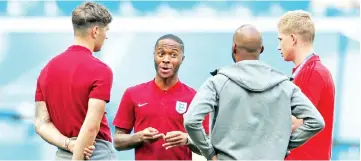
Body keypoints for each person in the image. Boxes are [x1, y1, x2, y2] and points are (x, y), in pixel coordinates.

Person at [183, 24, 325, 160]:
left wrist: (209, 153)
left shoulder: (217, 83)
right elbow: (316, 122)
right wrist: (281, 147)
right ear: (261, 49)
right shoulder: (284, 85)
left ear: (234, 47)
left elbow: (191, 121)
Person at [34, 2, 116, 160]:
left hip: (64, 153)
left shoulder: (47, 70)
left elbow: (41, 123)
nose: (106, 36)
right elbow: (91, 126)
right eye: (106, 30)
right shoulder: (101, 70)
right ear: (96, 31)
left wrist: (68, 144)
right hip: (94, 153)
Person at [112, 34, 210, 160]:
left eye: (173, 55)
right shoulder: (132, 93)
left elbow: (208, 146)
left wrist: (187, 140)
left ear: (182, 59)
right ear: (154, 56)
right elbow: (118, 142)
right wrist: (140, 137)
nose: (166, 60)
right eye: (161, 54)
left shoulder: (195, 98)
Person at [277, 10, 336, 160]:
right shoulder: (306, 72)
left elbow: (294, 123)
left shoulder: (313, 73)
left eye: (280, 39)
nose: (278, 46)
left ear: (292, 39)